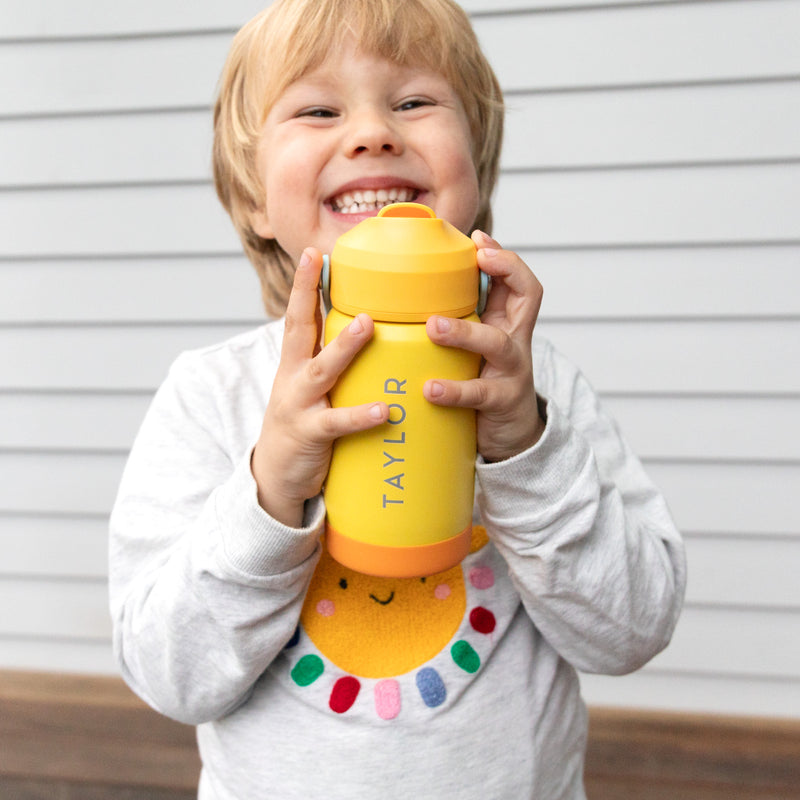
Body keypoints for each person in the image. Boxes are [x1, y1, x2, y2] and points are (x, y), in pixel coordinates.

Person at [109, 0, 686, 797]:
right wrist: (269, 488)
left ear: (476, 169)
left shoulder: (533, 389)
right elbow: (170, 677)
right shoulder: (213, 396)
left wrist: (524, 449)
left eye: (413, 101)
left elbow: (632, 631)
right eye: (319, 111)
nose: (374, 133)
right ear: (253, 199)